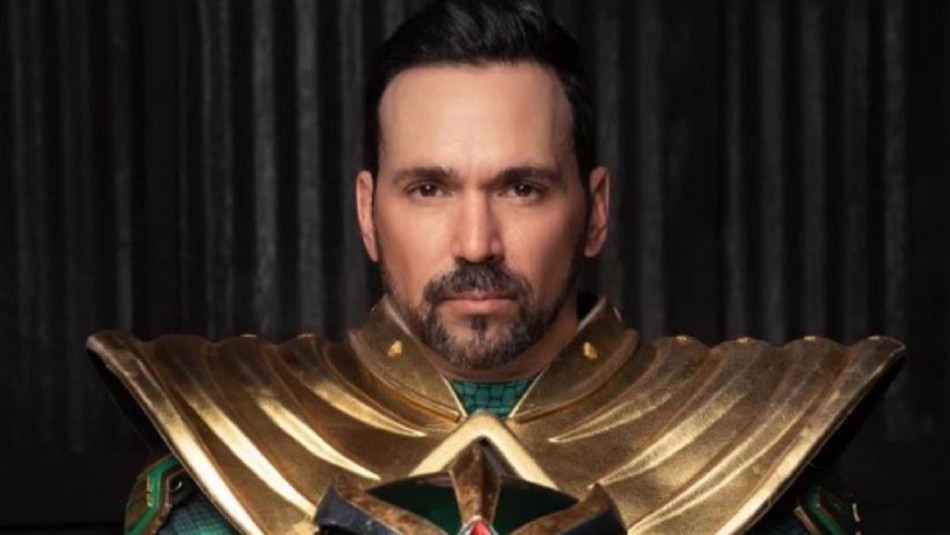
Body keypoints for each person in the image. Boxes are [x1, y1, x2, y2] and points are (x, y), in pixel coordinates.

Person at [89, 1, 902, 534]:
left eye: (521, 187)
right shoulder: (213, 487)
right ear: (369, 212)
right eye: (429, 188)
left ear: (595, 209)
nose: (476, 242)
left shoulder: (763, 475)